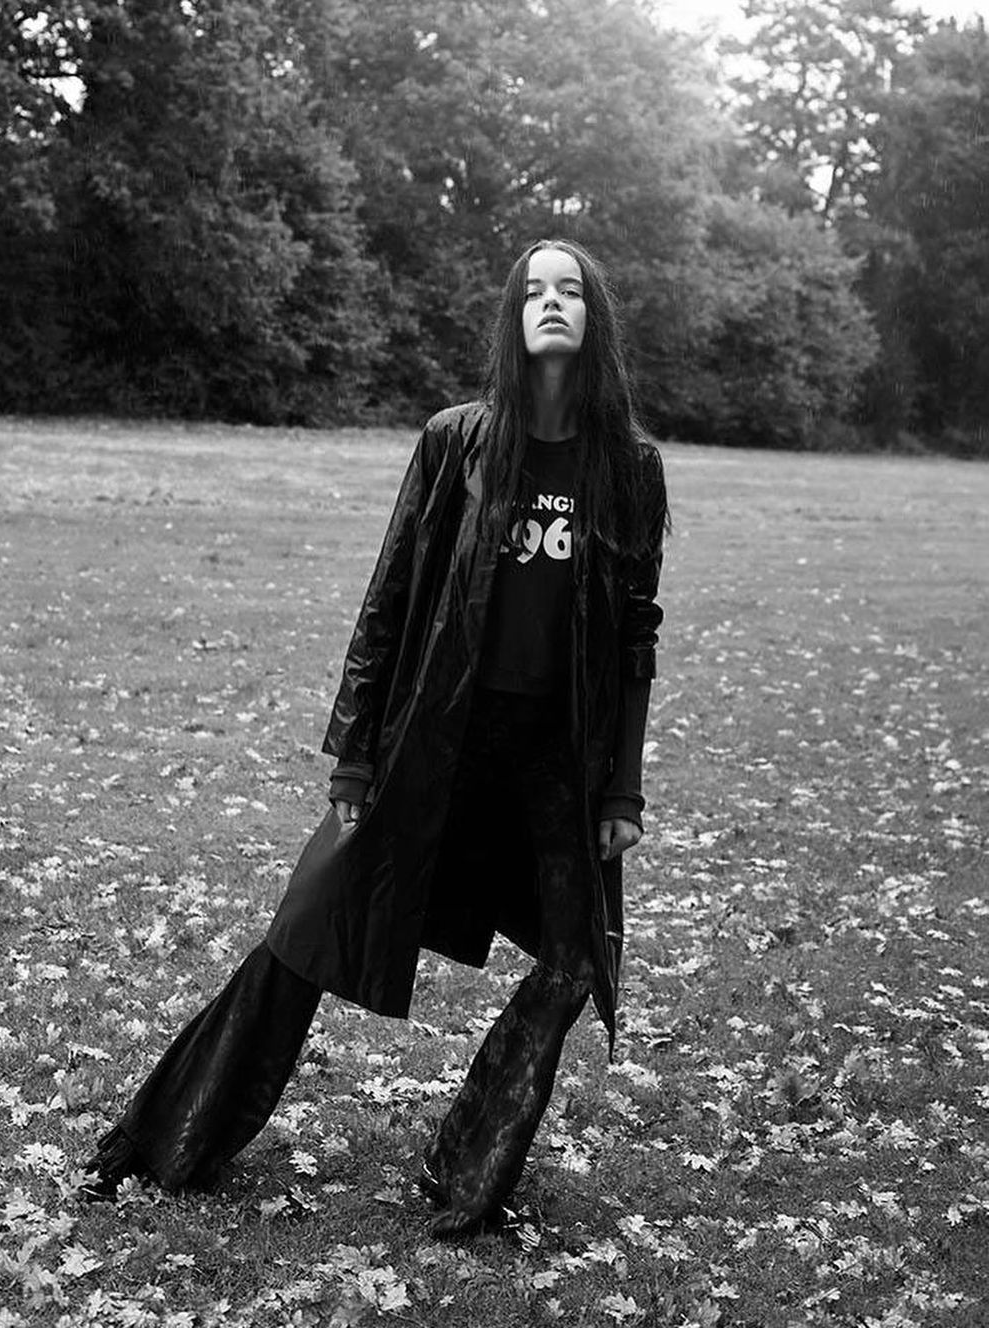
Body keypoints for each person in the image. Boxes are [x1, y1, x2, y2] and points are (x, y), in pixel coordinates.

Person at [84, 238, 668, 1238]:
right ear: (513, 317)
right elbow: (390, 596)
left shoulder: (630, 469)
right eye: (534, 290)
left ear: (595, 319)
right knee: (308, 925)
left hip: (556, 755)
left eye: (571, 291)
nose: (552, 303)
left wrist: (622, 790)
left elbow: (633, 639)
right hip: (434, 735)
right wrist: (354, 755)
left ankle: (467, 1162)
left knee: (576, 958)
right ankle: (168, 1136)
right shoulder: (457, 444)